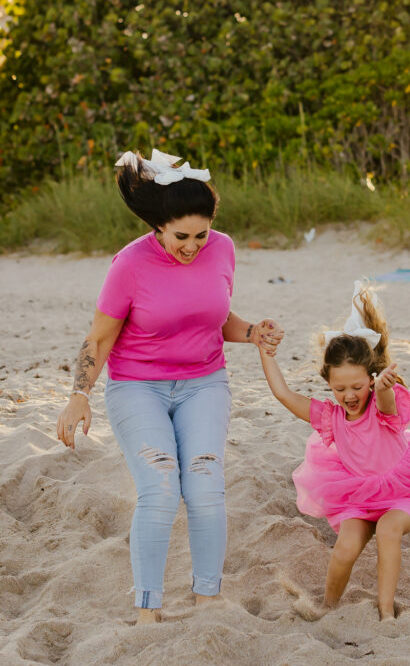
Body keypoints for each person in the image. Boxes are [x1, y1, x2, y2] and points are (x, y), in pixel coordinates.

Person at [56, 148, 283, 624]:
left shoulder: (222, 248)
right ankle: (147, 609)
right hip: (138, 387)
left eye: (201, 234)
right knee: (159, 488)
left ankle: (208, 599)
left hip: (205, 383)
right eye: (182, 236)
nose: (193, 245)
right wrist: (79, 394)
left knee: (204, 484)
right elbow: (99, 338)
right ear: (158, 226)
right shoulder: (129, 265)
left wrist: (251, 333)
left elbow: (212, 318)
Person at [258, 280, 410, 620]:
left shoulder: (381, 405)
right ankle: (328, 606)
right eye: (339, 388)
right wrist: (265, 354)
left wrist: (385, 389)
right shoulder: (330, 417)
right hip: (357, 494)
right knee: (345, 547)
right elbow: (284, 395)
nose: (350, 395)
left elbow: (387, 408)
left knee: (388, 531)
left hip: (402, 491)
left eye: (357, 386)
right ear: (329, 383)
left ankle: (386, 611)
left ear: (370, 379)